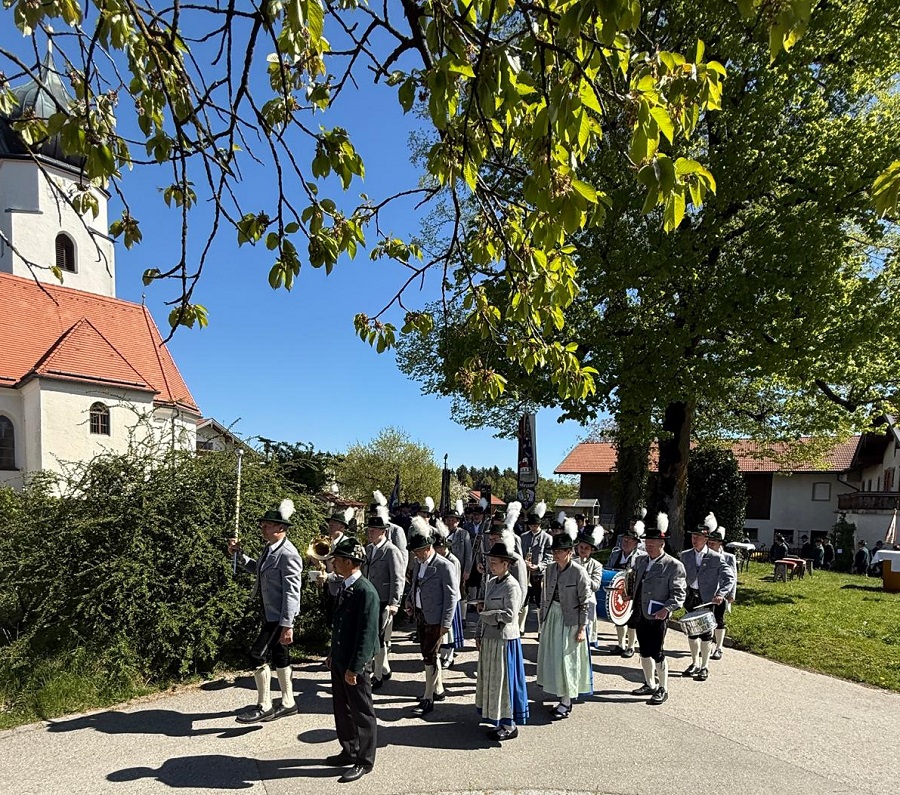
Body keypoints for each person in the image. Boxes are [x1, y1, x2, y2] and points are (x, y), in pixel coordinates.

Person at [227, 499, 303, 723]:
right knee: (281, 655)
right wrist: (238, 555)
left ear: (281, 528)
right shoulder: (269, 550)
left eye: (267, 525)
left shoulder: (288, 554)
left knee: (256, 654)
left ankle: (264, 705)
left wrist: (288, 624)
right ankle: (288, 702)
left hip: (279, 616)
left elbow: (292, 592)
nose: (262, 528)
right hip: (269, 612)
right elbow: (256, 569)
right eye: (262, 525)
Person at [323, 537, 380, 783]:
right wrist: (333, 654)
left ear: (350, 562)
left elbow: (367, 634)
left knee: (361, 711)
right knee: (342, 707)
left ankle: (364, 760)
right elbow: (339, 625)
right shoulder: (347, 585)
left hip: (356, 662)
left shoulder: (365, 591)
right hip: (341, 658)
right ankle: (349, 750)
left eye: (337, 559)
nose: (333, 563)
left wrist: (355, 667)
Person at [536, 518, 593, 720]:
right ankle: (560, 694)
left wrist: (581, 628)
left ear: (570, 552)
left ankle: (567, 701)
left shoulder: (579, 572)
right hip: (553, 616)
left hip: (570, 619)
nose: (556, 554)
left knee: (567, 659)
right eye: (554, 551)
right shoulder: (550, 569)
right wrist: (543, 619)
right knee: (553, 657)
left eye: (560, 551)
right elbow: (545, 596)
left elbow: (585, 601)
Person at [628, 513, 687, 705]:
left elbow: (679, 594)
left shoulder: (673, 565)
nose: (649, 544)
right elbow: (635, 583)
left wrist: (667, 609)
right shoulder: (641, 561)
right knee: (643, 651)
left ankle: (663, 688)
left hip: (658, 615)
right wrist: (628, 594)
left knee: (657, 651)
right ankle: (649, 683)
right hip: (640, 612)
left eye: (653, 541)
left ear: (662, 543)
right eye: (647, 541)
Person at [475, 535, 529, 741]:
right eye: (490, 562)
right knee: (491, 679)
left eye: (495, 563)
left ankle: (509, 724)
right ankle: (495, 717)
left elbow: (509, 615)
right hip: (490, 638)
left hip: (504, 640)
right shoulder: (490, 582)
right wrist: (478, 632)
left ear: (506, 564)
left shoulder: (512, 586)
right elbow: (486, 608)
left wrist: (487, 616)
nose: (491, 566)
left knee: (504, 681)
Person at [405, 517, 459, 716]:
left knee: (429, 655)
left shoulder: (444, 566)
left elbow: (451, 596)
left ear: (429, 548)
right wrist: (410, 601)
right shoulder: (419, 564)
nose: (416, 555)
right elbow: (415, 585)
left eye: (419, 551)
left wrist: (446, 623)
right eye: (415, 552)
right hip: (421, 614)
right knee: (428, 654)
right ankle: (437, 689)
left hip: (435, 618)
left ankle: (428, 697)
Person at [679, 513, 735, 681]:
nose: (695, 539)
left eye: (698, 537)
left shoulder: (716, 557)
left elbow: (729, 577)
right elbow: (679, 575)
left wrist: (721, 594)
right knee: (692, 631)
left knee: (706, 633)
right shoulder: (685, 555)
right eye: (693, 536)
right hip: (690, 597)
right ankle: (694, 662)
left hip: (707, 599)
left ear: (706, 538)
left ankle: (705, 666)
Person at [363, 515, 404, 690]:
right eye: (369, 530)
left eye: (373, 530)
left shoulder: (391, 550)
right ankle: (381, 669)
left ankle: (377, 674)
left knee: (378, 637)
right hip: (369, 599)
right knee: (370, 635)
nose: (370, 533)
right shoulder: (368, 549)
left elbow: (398, 578)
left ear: (383, 532)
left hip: (383, 599)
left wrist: (395, 602)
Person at [607, 521, 646, 658]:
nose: (626, 542)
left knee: (632, 620)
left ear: (636, 543)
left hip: (634, 592)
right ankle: (620, 644)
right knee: (618, 618)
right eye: (624, 539)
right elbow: (609, 568)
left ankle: (631, 647)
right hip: (618, 591)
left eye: (629, 540)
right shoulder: (615, 554)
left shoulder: (641, 557)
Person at [433, 521, 465, 669]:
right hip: (439, 598)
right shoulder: (437, 560)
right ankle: (442, 654)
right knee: (441, 629)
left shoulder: (453, 561)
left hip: (451, 599)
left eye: (440, 547)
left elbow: (455, 583)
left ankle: (449, 656)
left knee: (450, 630)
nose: (438, 550)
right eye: (436, 547)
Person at [520, 502, 553, 633]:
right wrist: (524, 563)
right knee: (524, 600)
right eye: (531, 525)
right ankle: (520, 627)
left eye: (535, 525)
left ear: (540, 525)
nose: (533, 527)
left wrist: (538, 566)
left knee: (540, 602)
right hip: (525, 572)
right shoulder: (523, 537)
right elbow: (520, 553)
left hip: (539, 574)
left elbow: (549, 557)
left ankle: (541, 629)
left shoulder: (547, 538)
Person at [706, 526, 737, 660]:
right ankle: (707, 645)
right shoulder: (705, 555)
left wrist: (731, 594)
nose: (710, 545)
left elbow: (733, 577)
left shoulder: (729, 557)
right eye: (709, 542)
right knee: (707, 620)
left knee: (719, 620)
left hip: (721, 593)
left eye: (713, 543)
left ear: (720, 543)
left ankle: (719, 647)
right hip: (707, 593)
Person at [574, 526, 604, 648]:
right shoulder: (571, 562)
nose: (583, 550)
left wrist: (584, 574)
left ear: (591, 550)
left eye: (586, 548)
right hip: (572, 598)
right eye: (581, 547)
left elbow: (596, 586)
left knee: (586, 627)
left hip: (588, 600)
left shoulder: (597, 565)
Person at [445, 501, 473, 618]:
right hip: (445, 567)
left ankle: (462, 617)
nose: (451, 522)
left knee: (462, 591)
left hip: (460, 568)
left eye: (454, 520)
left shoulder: (464, 534)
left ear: (458, 521)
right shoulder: (441, 533)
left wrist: (467, 570)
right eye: (449, 519)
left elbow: (468, 553)